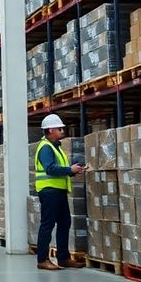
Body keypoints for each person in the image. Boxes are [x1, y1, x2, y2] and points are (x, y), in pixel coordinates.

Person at [34, 114, 87, 271]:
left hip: (59, 191)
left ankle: (63, 258)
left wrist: (73, 171)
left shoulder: (55, 146)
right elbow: (50, 169)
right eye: (59, 128)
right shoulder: (45, 147)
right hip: (49, 191)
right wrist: (69, 169)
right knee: (47, 224)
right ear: (50, 130)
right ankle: (42, 259)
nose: (62, 130)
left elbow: (59, 169)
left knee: (65, 223)